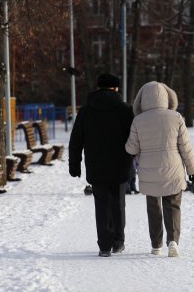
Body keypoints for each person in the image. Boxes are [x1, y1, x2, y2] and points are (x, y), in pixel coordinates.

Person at [125, 81, 194, 257]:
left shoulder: (138, 121)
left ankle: (156, 244)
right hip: (173, 169)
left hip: (149, 171)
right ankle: (173, 241)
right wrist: (192, 171)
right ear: (167, 97)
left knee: (153, 207)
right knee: (172, 205)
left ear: (142, 100)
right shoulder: (176, 117)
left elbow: (131, 149)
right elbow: (185, 148)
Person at [69, 73, 134, 257]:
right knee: (118, 204)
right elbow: (133, 138)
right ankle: (118, 242)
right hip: (120, 164)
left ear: (98, 88)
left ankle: (104, 245)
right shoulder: (124, 109)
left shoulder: (86, 110)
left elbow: (76, 140)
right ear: (115, 88)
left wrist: (75, 164)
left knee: (102, 205)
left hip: (96, 166)